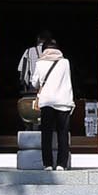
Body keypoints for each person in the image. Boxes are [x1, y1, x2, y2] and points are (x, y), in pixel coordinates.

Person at [32, 38, 75, 170]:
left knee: (46, 134)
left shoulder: (40, 64)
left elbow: (35, 83)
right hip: (63, 101)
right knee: (63, 133)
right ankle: (62, 164)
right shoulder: (65, 62)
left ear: (44, 50)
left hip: (47, 102)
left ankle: (48, 164)